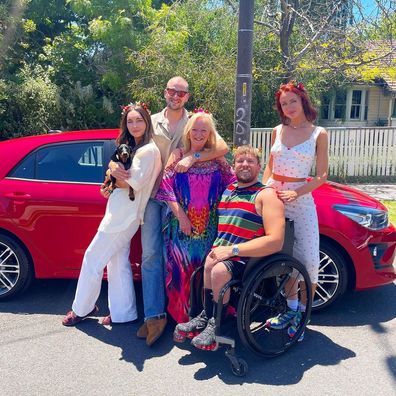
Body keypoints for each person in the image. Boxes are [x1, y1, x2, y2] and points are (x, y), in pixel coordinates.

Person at [109, 77, 229, 346]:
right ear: (165, 93)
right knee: (152, 255)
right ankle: (155, 315)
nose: (175, 95)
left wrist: (192, 157)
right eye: (171, 91)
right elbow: (126, 143)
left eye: (181, 92)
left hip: (185, 201)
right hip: (153, 196)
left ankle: (185, 313)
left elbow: (221, 147)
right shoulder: (150, 121)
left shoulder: (195, 120)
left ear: (187, 96)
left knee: (180, 258)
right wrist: (111, 166)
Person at [173, 145, 285, 350]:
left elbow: (276, 240)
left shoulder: (266, 195)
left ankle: (217, 323)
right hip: (222, 254)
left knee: (217, 270)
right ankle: (206, 315)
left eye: (250, 161)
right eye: (240, 161)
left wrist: (232, 251)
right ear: (233, 167)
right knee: (207, 265)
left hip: (248, 258)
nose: (245, 164)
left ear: (259, 166)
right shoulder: (229, 190)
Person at [62, 103, 161, 327]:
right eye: (130, 121)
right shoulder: (132, 147)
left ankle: (82, 309)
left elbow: (131, 183)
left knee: (92, 259)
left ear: (147, 122)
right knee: (117, 262)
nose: (134, 125)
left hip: (123, 217)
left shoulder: (147, 151)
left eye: (139, 120)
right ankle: (123, 313)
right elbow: (119, 173)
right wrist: (113, 169)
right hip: (121, 213)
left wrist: (113, 171)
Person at [262, 81, 328, 338]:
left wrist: (296, 192)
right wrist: (263, 189)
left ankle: (302, 314)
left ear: (302, 101)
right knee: (284, 259)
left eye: (292, 101)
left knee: (309, 261)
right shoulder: (277, 130)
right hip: (274, 199)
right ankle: (289, 309)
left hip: (300, 201)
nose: (288, 107)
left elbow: (321, 175)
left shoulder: (318, 133)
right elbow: (269, 166)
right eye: (283, 103)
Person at [155, 110, 235, 324]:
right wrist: (181, 218)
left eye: (204, 130)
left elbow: (233, 182)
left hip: (210, 227)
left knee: (206, 273)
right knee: (183, 272)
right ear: (188, 132)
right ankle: (182, 318)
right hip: (182, 228)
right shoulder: (177, 155)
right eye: (195, 130)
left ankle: (206, 318)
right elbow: (165, 188)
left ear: (210, 134)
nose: (199, 134)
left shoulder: (217, 158)